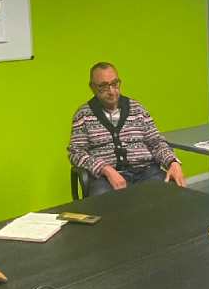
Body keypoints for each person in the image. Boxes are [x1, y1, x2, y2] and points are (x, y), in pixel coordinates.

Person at [68, 62, 187, 196]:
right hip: (106, 178)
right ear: (92, 87)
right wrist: (105, 169)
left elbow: (156, 142)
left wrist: (173, 162)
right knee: (103, 203)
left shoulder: (137, 109)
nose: (111, 91)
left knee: (173, 194)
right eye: (103, 86)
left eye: (115, 83)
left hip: (146, 172)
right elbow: (76, 153)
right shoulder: (83, 115)